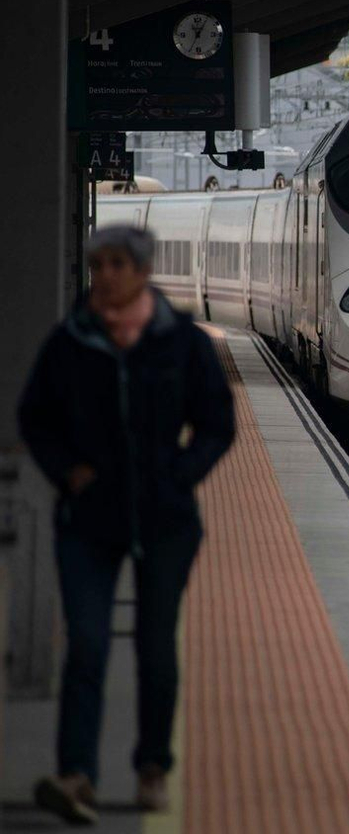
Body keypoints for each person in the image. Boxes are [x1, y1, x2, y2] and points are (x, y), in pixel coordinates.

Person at [18, 226, 235, 825]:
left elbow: (218, 423)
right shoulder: (71, 341)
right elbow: (35, 417)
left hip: (165, 521)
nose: (105, 275)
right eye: (98, 264)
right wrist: (69, 474)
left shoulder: (181, 343)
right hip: (86, 520)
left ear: (141, 271)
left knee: (154, 647)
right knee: (86, 644)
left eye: (116, 264)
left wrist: (180, 475)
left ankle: (152, 768)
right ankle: (75, 775)